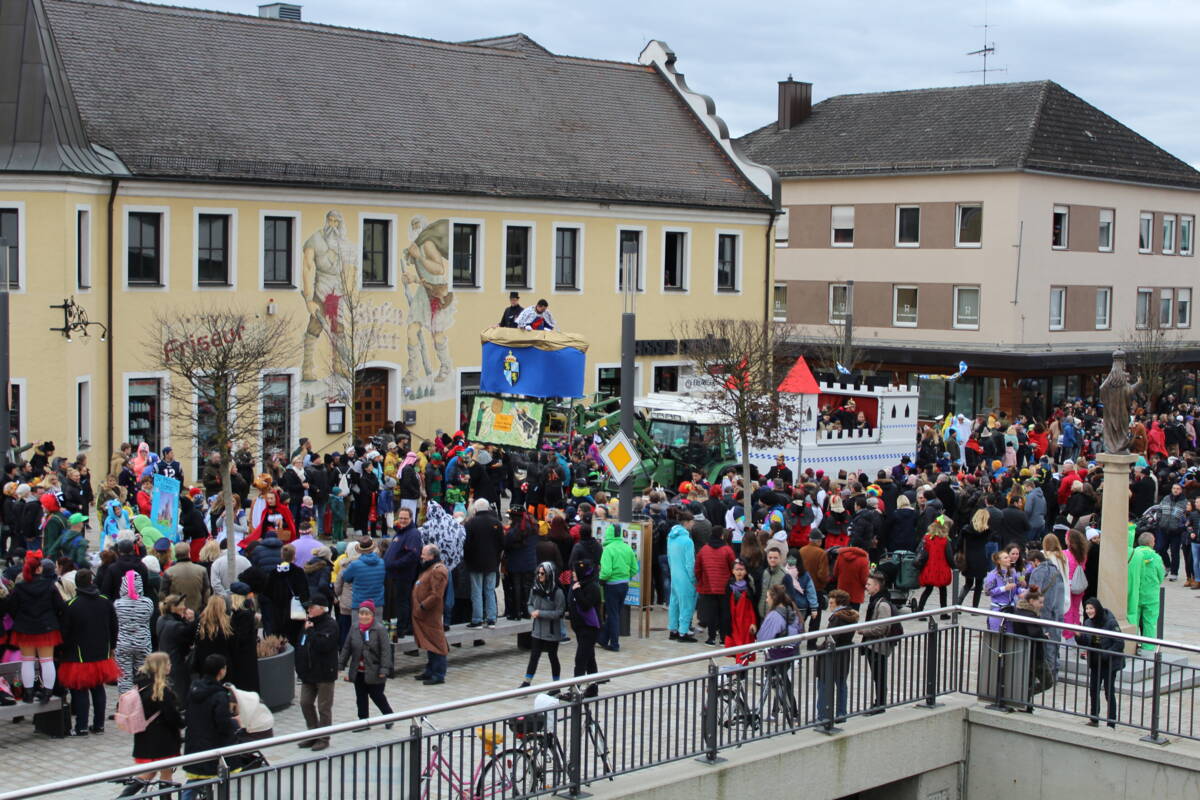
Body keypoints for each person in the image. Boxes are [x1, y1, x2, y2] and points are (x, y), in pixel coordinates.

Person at [58, 568, 119, 735]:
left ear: (77, 584)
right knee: (99, 689)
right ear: (91, 581)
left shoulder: (71, 605)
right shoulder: (105, 601)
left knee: (80, 691)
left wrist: (62, 651)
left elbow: (65, 633)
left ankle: (82, 726)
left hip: (79, 655)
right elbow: (114, 627)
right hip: (102, 654)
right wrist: (112, 646)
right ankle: (99, 725)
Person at [9, 553, 67, 703]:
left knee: (27, 661)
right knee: (46, 661)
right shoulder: (49, 586)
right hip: (46, 627)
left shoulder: (20, 587)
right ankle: (47, 693)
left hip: (24, 628)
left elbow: (12, 608)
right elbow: (60, 606)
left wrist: (21, 619)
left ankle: (28, 694)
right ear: (39, 569)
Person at [182, 654, 239, 796]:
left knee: (195, 782)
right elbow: (223, 724)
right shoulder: (220, 695)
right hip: (213, 745)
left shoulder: (193, 688)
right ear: (221, 671)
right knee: (221, 781)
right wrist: (235, 724)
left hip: (194, 743)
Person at [129, 653, 184, 791]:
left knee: (150, 773)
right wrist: (183, 722)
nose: (170, 666)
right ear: (162, 667)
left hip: (144, 737)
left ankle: (125, 796)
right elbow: (171, 716)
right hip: (162, 739)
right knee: (165, 775)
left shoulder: (141, 685)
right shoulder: (160, 690)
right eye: (168, 663)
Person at [338, 600, 394, 726]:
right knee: (361, 697)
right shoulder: (354, 627)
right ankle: (363, 722)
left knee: (377, 695)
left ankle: (389, 716)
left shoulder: (379, 629)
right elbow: (347, 647)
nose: (363, 616)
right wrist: (340, 664)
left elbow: (386, 651)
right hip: (358, 670)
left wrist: (384, 670)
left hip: (375, 669)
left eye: (367, 614)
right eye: (361, 613)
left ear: (372, 615)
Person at [296, 593, 339, 750]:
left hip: (324, 673)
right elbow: (301, 645)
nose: (309, 610)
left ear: (322, 609)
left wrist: (310, 632)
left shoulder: (331, 625)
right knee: (305, 703)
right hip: (308, 672)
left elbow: (323, 645)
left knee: (324, 707)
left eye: (312, 607)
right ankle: (312, 734)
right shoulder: (308, 624)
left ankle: (323, 738)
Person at [1079, 596, 1125, 728]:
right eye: (1087, 608)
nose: (1088, 611)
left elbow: (1119, 643)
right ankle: (1094, 718)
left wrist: (1104, 654)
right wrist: (1078, 637)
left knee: (1109, 692)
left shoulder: (1110, 622)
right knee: (1093, 690)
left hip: (1109, 663)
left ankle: (1111, 721)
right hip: (1095, 662)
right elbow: (1087, 641)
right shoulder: (1088, 623)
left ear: (1097, 608)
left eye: (1091, 608)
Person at [816, 588, 858, 724]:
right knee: (841, 684)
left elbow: (831, 638)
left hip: (832, 657)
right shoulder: (850, 616)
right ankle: (841, 713)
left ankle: (823, 715)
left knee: (823, 685)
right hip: (844, 655)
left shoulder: (837, 617)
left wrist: (820, 649)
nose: (829, 605)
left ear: (839, 604)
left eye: (831, 603)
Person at [521, 561, 565, 687]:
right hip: (537, 630)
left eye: (542, 573)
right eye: (538, 573)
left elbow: (559, 612)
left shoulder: (557, 592)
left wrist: (540, 613)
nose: (539, 575)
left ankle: (556, 685)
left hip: (551, 631)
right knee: (534, 656)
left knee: (553, 657)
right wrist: (532, 612)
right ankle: (526, 682)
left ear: (549, 574)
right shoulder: (535, 588)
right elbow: (529, 604)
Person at [598, 521, 638, 651]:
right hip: (624, 585)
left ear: (608, 534)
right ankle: (603, 639)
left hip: (611, 585)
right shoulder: (627, 547)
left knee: (613, 615)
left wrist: (601, 580)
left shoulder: (608, 549)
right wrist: (626, 577)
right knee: (615, 613)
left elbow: (606, 571)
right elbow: (634, 568)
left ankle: (614, 644)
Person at [412, 544, 449, 685]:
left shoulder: (437, 570)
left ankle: (439, 674)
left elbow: (436, 595)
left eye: (424, 554)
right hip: (424, 614)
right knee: (429, 641)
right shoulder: (428, 567)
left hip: (430, 613)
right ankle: (430, 670)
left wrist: (423, 605)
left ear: (432, 556)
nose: (421, 556)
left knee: (436, 642)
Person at [463, 499, 503, 629]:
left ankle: (477, 619)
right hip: (491, 562)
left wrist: (467, 560)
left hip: (475, 562)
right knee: (490, 590)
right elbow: (501, 544)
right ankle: (491, 619)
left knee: (477, 591)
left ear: (475, 509)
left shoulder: (470, 524)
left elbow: (466, 545)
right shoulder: (496, 523)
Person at [860, 572, 896, 714]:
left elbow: (882, 628)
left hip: (878, 647)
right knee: (878, 676)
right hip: (873, 645)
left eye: (869, 584)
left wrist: (865, 632)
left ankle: (880, 704)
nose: (866, 587)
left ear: (877, 586)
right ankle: (879, 702)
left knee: (879, 676)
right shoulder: (876, 601)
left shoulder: (882, 605)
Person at [113, 570, 154, 695]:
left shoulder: (117, 604)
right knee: (143, 675)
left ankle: (126, 705)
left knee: (124, 677)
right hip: (143, 642)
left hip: (123, 643)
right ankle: (142, 702)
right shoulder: (148, 603)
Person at [693, 525, 735, 646]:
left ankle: (711, 638)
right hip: (724, 587)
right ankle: (723, 638)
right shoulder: (727, 550)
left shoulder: (704, 550)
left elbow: (697, 568)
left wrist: (701, 580)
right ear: (721, 535)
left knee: (711, 613)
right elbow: (733, 566)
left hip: (708, 586)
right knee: (724, 612)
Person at [384, 507, 422, 638]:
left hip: (404, 575)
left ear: (411, 519)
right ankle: (399, 627)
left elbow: (412, 555)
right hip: (394, 574)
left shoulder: (413, 533)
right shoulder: (401, 532)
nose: (403, 520)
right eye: (401, 518)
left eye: (405, 518)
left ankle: (402, 629)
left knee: (403, 602)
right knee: (398, 602)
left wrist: (394, 564)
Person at [569, 558, 603, 693]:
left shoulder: (592, 587)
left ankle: (575, 690)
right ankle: (593, 688)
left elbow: (585, 605)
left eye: (575, 571)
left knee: (581, 659)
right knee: (589, 658)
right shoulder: (579, 584)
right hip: (580, 628)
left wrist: (577, 592)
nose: (573, 573)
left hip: (589, 629)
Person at [156, 594, 196, 708]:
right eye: (182, 605)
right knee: (180, 697)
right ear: (173, 607)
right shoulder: (177, 626)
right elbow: (189, 638)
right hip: (177, 664)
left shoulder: (161, 619)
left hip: (166, 661)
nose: (184, 607)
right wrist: (192, 621)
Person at [1127, 532, 1165, 650]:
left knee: (1133, 618)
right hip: (1151, 595)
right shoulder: (1156, 558)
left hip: (1136, 592)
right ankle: (1148, 647)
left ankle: (1132, 644)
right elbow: (1161, 575)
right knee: (1150, 622)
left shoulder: (1134, 554)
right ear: (1150, 543)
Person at [666, 515, 698, 642]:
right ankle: (683, 632)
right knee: (686, 605)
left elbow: (669, 557)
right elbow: (690, 563)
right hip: (685, 577)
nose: (693, 525)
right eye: (692, 522)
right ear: (687, 522)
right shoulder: (688, 541)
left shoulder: (671, 537)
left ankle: (673, 629)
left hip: (674, 574)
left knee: (674, 602)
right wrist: (693, 578)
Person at [915, 515, 953, 616]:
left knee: (928, 590)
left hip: (929, 568)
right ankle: (943, 613)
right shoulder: (945, 540)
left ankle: (919, 611)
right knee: (943, 591)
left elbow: (920, 551)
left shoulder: (927, 538)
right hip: (942, 569)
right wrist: (954, 566)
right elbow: (949, 556)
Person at [192, 595, 236, 679]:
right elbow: (233, 646)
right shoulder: (228, 625)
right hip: (223, 667)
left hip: (204, 665)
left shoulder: (200, 623)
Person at [160, 543, 212, 615]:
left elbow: (162, 594)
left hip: (176, 612)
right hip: (196, 611)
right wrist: (204, 606)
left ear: (175, 555)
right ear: (189, 553)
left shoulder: (168, 572)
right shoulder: (202, 570)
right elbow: (207, 591)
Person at [227, 583, 260, 692]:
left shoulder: (243, 614)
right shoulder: (243, 611)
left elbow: (241, 638)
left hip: (243, 658)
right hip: (245, 656)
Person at [983, 549, 1024, 631]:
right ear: (999, 561)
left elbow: (1016, 587)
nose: (1009, 559)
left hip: (1011, 609)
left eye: (1008, 557)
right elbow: (987, 592)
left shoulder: (1012, 572)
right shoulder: (993, 574)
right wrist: (1004, 588)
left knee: (1010, 636)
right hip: (997, 610)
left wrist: (1022, 591)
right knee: (997, 637)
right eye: (1005, 558)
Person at [961, 508, 992, 607]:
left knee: (968, 584)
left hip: (968, 558)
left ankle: (958, 603)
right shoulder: (987, 531)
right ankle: (975, 608)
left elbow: (959, 544)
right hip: (981, 558)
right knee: (979, 585)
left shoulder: (966, 529)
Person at [1064, 529, 1088, 639]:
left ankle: (1068, 635)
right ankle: (1077, 632)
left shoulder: (1065, 554)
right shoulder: (1083, 554)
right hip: (1079, 586)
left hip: (1068, 586)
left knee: (1068, 610)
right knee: (1076, 609)